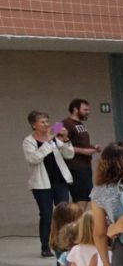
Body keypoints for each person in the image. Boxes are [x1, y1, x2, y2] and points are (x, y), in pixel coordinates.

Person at [23, 110, 74, 257]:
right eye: (42, 122)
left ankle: (65, 244)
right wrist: (48, 142)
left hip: (60, 182)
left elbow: (69, 154)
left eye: (47, 121)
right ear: (34, 125)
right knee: (46, 215)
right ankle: (45, 246)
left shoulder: (54, 137)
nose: (47, 124)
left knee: (63, 214)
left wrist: (64, 139)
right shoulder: (28, 141)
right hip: (41, 184)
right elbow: (34, 159)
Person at [62, 98, 99, 202]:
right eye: (85, 110)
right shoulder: (62, 123)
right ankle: (76, 218)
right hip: (75, 167)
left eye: (88, 110)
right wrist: (83, 151)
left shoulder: (80, 124)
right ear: (75, 109)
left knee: (86, 199)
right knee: (81, 200)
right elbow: (53, 142)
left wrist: (92, 147)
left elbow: (78, 143)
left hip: (85, 166)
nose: (88, 112)